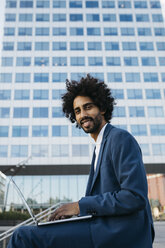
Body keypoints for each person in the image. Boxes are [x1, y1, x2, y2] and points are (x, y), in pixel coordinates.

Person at [8, 74, 154, 248]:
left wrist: (79, 206)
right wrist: (77, 213)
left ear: (102, 108)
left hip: (119, 232)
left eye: (88, 107)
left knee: (23, 236)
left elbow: (134, 197)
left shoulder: (119, 138)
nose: (83, 114)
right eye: (77, 111)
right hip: (102, 229)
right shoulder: (99, 147)